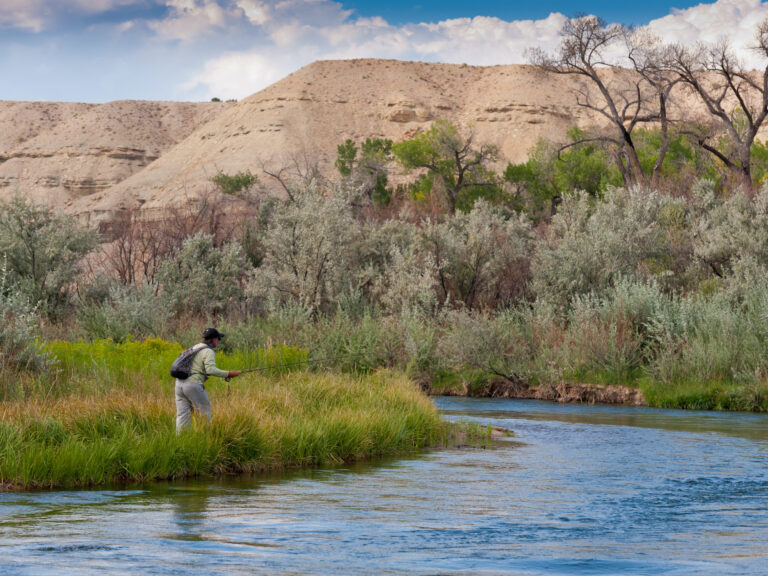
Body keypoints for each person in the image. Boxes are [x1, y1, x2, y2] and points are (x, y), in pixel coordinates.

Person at [175, 327, 241, 432]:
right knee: (205, 414)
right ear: (214, 339)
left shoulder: (195, 347)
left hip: (179, 384)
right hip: (193, 384)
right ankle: (204, 439)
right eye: (218, 339)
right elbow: (210, 370)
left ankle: (181, 442)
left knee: (183, 415)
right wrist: (228, 373)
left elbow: (195, 366)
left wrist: (203, 376)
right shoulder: (208, 351)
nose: (218, 341)